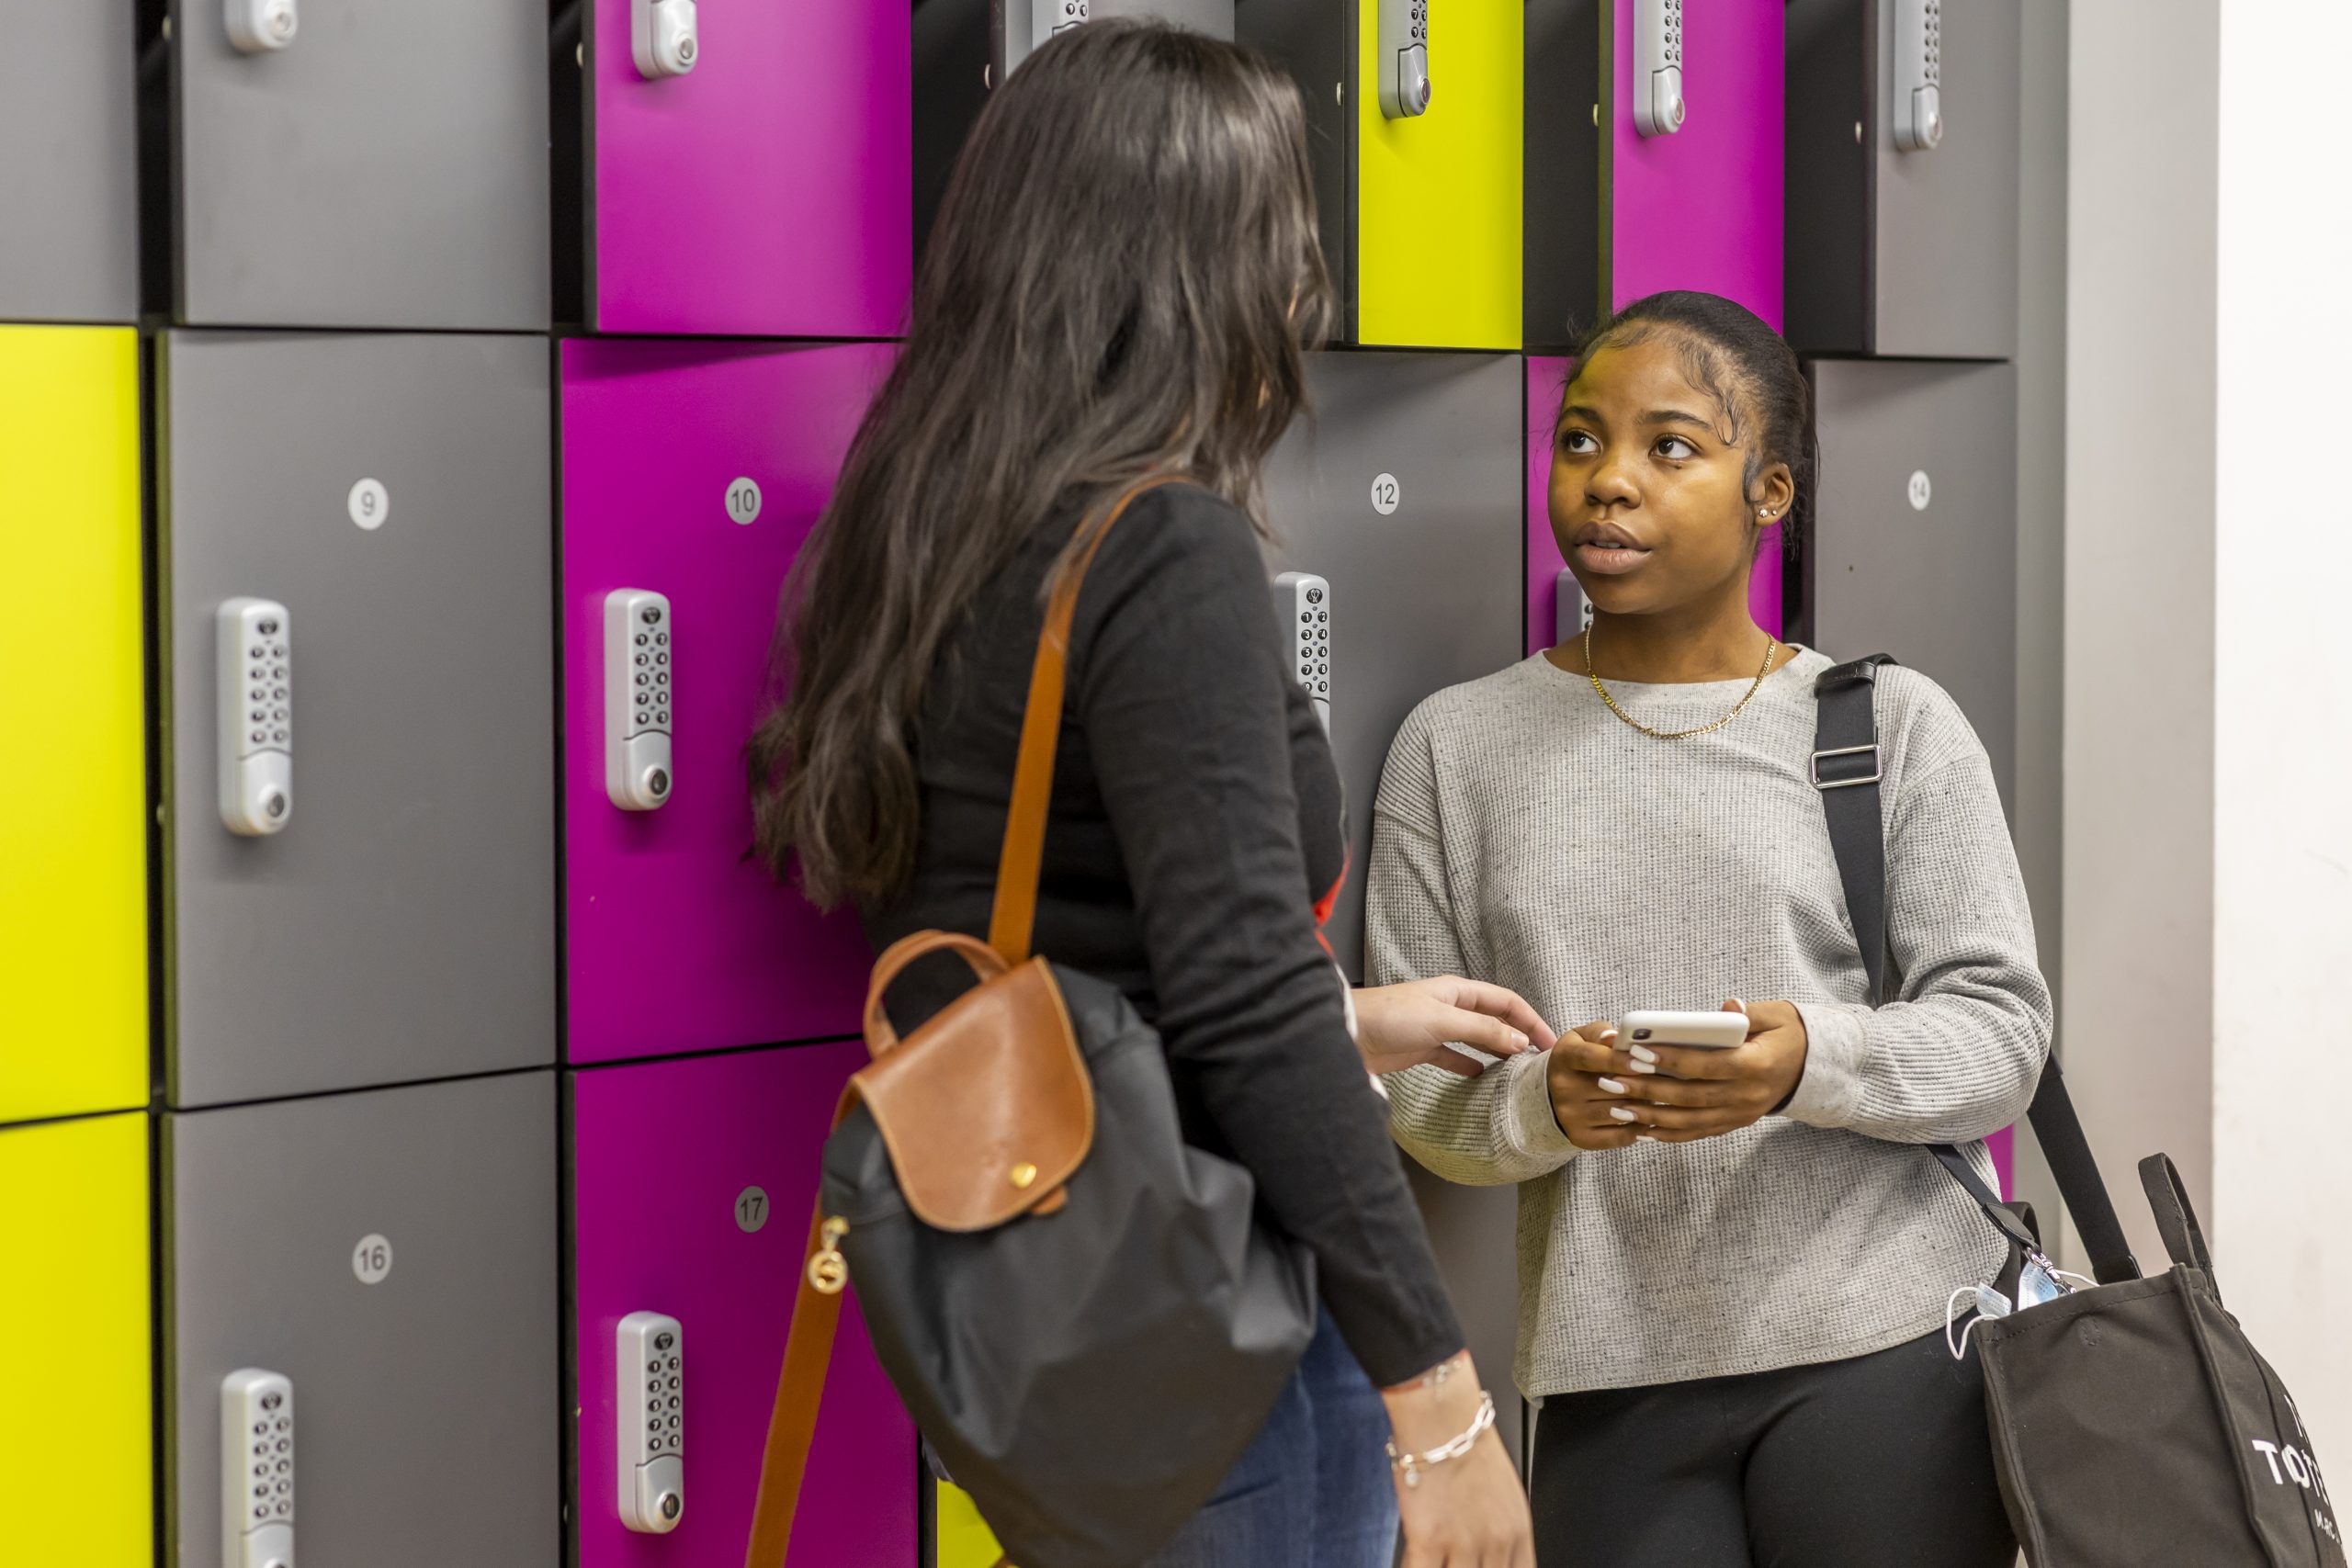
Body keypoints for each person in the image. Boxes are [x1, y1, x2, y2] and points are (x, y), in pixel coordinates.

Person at [747, 20, 1537, 1568]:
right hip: (1209, 1326)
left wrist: (1350, 1021)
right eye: (1277, 234)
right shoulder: (1161, 547)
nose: (1299, 284)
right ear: (1192, 265)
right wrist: (1441, 1402)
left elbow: (1033, 931)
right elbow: (1242, 994)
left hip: (1055, 1320)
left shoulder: (924, 522)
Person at [1372, 289, 2046, 1566]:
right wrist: (1547, 1104)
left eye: (1669, 447)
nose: (1610, 483)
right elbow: (1422, 1107)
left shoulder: (1891, 728)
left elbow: (2002, 1037)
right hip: (1607, 1370)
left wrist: (1805, 1062)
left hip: (1893, 1347)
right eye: (1580, 441)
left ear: (1771, 492)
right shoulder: (1453, 750)